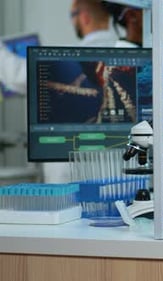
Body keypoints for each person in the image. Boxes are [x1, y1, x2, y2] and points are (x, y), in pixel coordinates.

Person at [43, 0, 118, 184]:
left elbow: (19, 75)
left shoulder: (61, 59)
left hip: (69, 180)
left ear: (83, 17)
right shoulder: (129, 55)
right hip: (119, 179)